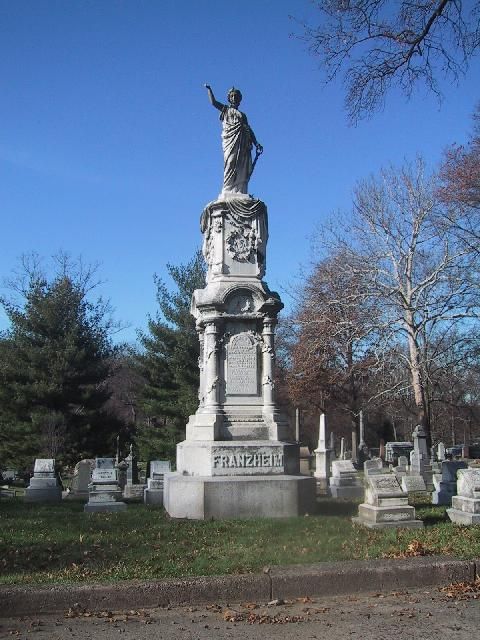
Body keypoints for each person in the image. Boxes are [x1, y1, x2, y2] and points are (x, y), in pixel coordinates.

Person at [204, 84, 263, 195]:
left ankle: (240, 189)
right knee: (230, 161)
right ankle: (227, 188)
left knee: (241, 165)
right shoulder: (226, 110)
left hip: (243, 142)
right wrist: (209, 90)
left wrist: (256, 143)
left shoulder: (243, 115)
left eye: (236, 96)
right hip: (231, 140)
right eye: (232, 96)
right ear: (229, 98)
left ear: (239, 99)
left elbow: (248, 129)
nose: (234, 98)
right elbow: (213, 102)